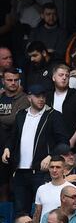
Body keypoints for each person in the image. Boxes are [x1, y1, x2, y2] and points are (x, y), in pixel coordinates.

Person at [2, 84, 68, 217]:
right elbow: (13, 137)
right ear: (29, 97)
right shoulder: (21, 114)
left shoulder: (53, 115)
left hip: (40, 172)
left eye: (43, 96)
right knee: (20, 212)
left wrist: (50, 156)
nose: (41, 99)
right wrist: (7, 148)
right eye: (37, 96)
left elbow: (64, 142)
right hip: (19, 171)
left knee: (43, 211)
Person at [46, 65, 76, 153]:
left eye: (67, 76)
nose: (64, 78)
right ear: (53, 78)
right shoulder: (47, 96)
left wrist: (72, 141)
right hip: (51, 146)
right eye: (61, 75)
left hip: (73, 147)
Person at [0, 68, 29, 202]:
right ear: (3, 81)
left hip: (15, 146)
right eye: (9, 80)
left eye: (16, 80)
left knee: (13, 185)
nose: (13, 83)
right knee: (2, 184)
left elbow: (15, 119)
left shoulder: (24, 98)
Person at [33, 155, 74, 223]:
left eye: (58, 167)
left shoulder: (72, 189)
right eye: (52, 167)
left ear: (64, 169)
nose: (54, 170)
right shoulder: (41, 189)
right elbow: (37, 213)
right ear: (48, 168)